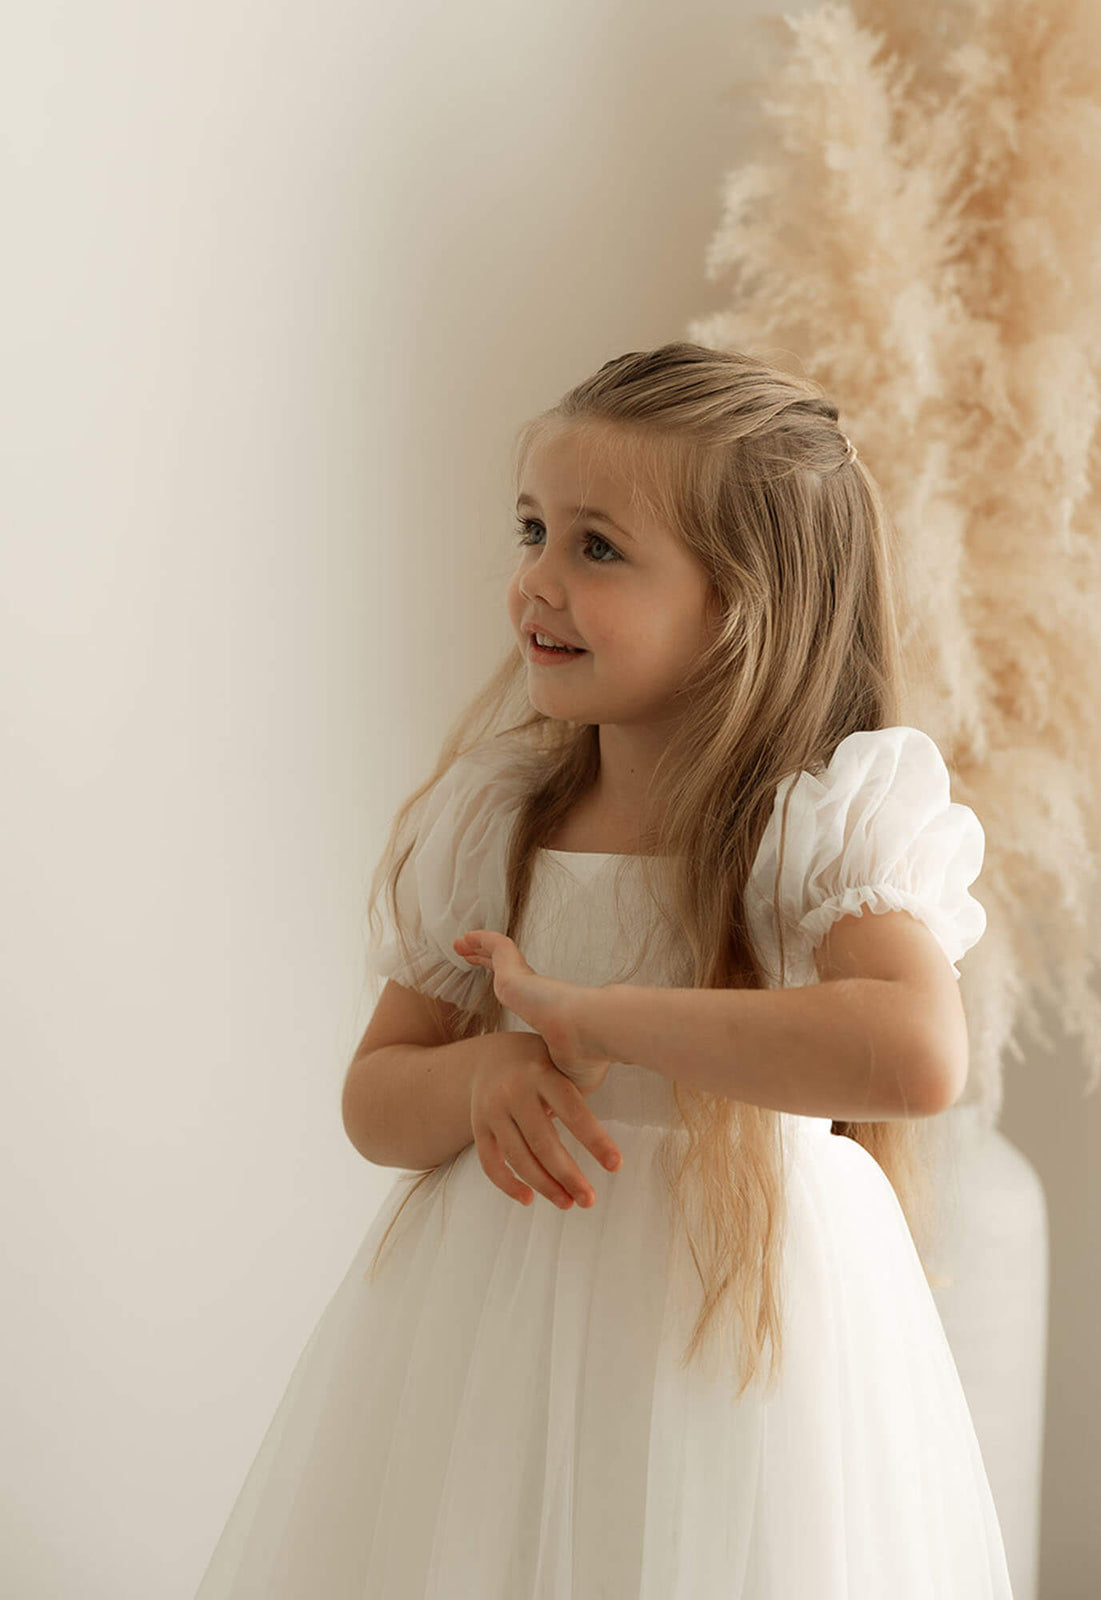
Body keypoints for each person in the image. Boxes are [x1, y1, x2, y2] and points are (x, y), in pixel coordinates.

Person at [194, 341, 1014, 1597]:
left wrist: (605, 1017)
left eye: (596, 547)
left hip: (743, 1332)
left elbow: (914, 1054)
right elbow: (375, 1097)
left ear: (738, 606)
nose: (535, 580)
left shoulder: (814, 828)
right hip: (502, 1322)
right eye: (532, 529)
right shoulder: (502, 814)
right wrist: (484, 1074)